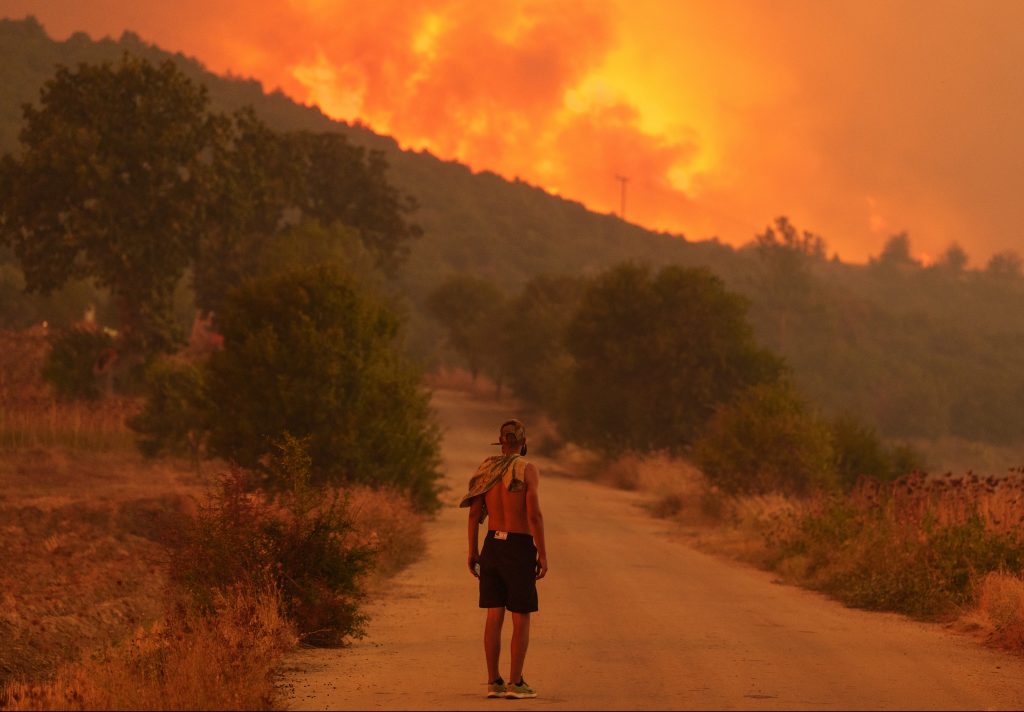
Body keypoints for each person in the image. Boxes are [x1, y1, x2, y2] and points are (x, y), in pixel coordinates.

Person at [459, 419, 548, 699]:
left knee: (494, 613)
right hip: (519, 546)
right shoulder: (526, 469)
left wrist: (472, 550)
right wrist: (542, 553)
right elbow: (533, 515)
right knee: (520, 615)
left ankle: (493, 681)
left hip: (492, 546)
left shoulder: (486, 469)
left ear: (501, 444)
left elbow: (474, 514)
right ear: (523, 444)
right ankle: (516, 681)